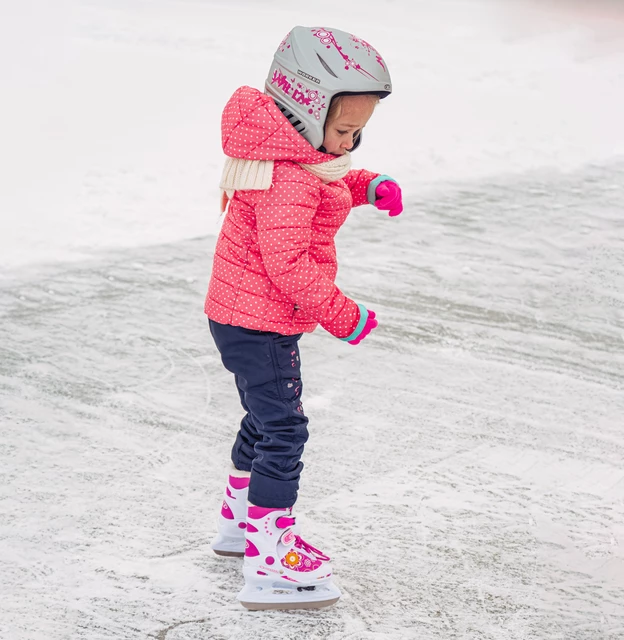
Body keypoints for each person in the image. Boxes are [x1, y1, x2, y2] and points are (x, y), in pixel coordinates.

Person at [204, 25, 403, 610]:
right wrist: (344, 316)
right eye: (343, 130)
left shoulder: (295, 156)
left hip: (247, 316)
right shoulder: (288, 177)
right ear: (304, 112)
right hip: (259, 320)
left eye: (358, 134)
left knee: (263, 421)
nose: (348, 145)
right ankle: (270, 556)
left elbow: (330, 176)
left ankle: (239, 524)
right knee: (285, 430)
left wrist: (370, 185)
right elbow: (288, 264)